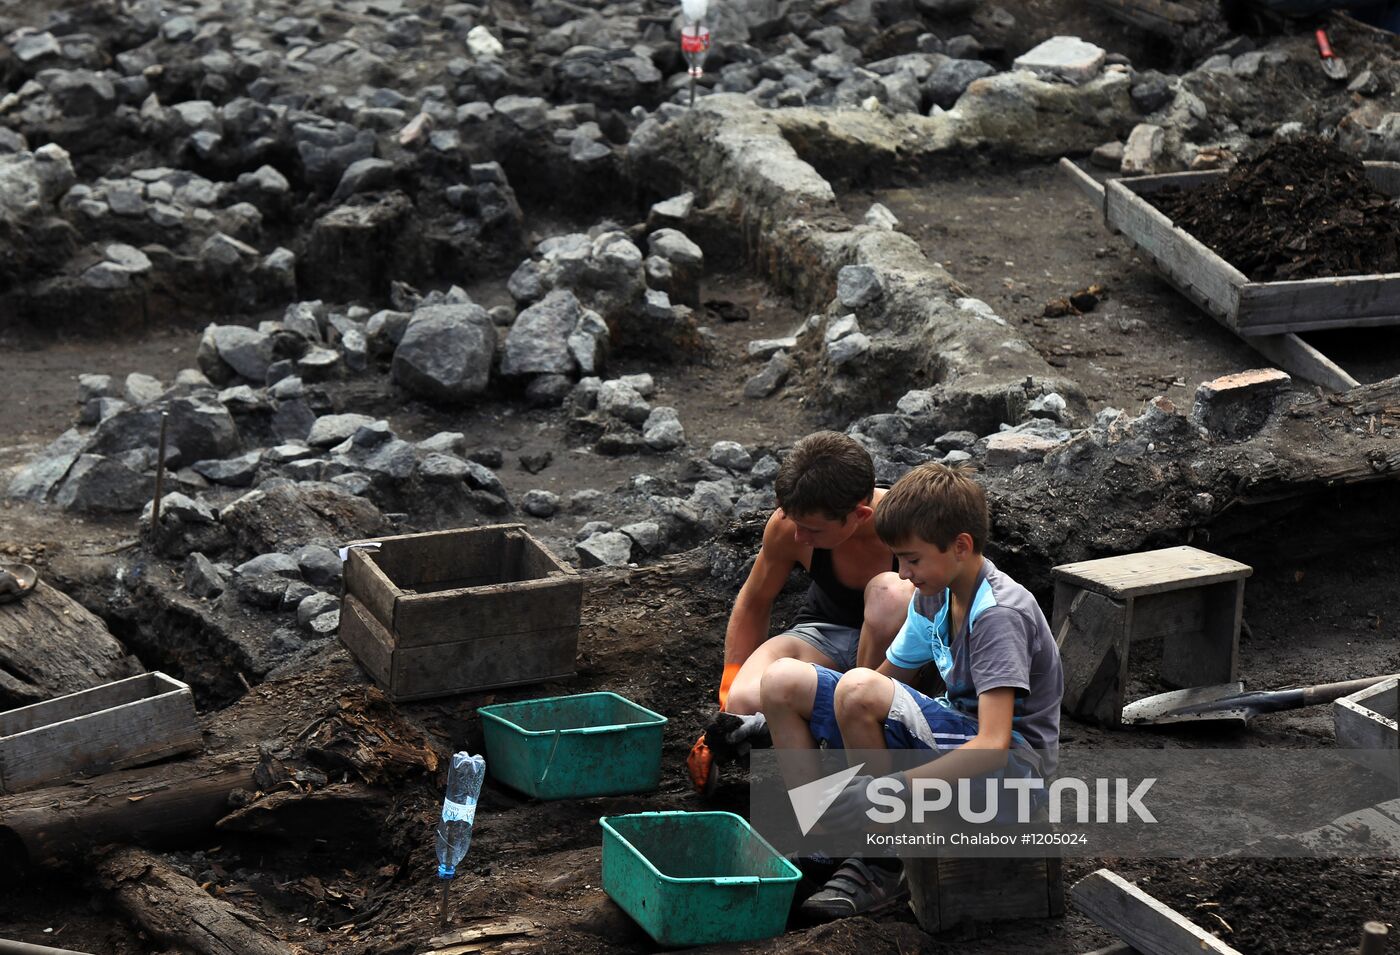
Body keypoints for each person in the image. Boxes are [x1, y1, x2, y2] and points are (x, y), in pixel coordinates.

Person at [760, 462, 1064, 920]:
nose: (901, 574)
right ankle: (825, 838)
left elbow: (994, 746)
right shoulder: (935, 594)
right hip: (955, 740)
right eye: (897, 559)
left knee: (859, 690)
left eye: (911, 559)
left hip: (1014, 778)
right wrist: (762, 723)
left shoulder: (999, 616)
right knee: (783, 682)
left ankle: (884, 861)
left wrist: (888, 791)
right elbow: (885, 681)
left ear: (960, 546)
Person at [686, 431, 914, 791]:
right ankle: (815, 804)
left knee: (891, 595)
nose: (799, 537)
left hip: (897, 652)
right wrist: (727, 700)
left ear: (860, 514)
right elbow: (755, 600)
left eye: (812, 530)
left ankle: (853, 728)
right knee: (745, 698)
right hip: (822, 636)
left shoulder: (908, 525)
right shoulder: (789, 527)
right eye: (794, 522)